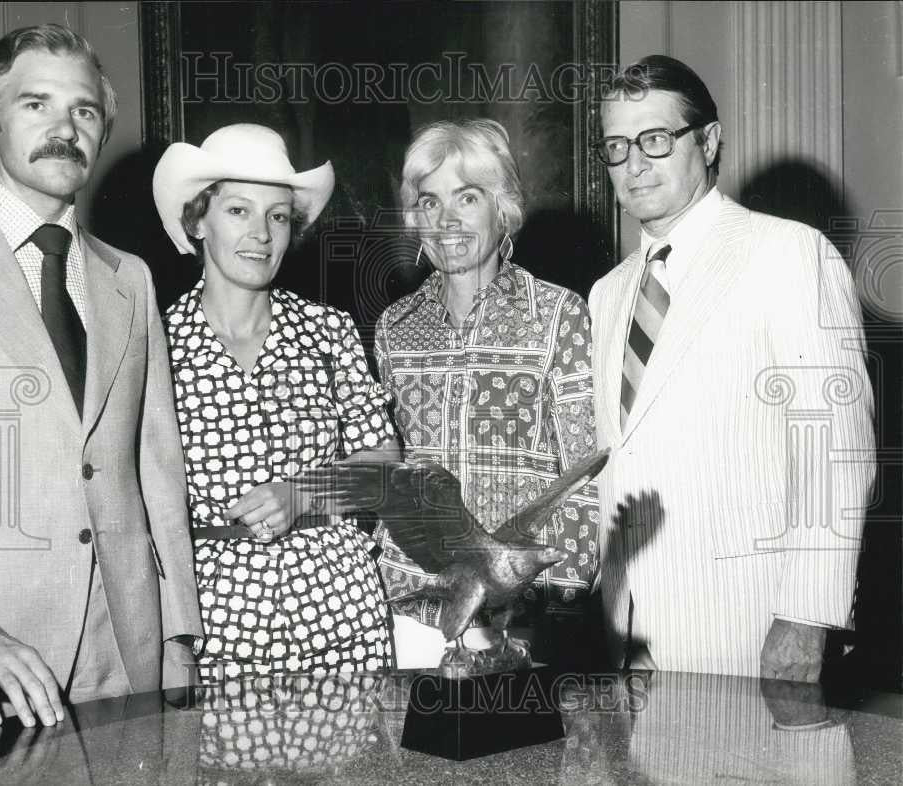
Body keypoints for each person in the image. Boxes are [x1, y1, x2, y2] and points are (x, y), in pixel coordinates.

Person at [0, 24, 203, 741]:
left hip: (124, 664)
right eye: (36, 104)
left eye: (86, 111)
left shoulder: (129, 278)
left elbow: (156, 471)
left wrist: (178, 635)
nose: (65, 127)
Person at [589, 55, 875, 679]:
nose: (634, 165)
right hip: (626, 628)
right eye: (616, 147)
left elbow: (833, 452)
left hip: (747, 624)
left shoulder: (788, 253)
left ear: (709, 141)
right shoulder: (609, 294)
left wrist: (807, 616)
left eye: (655, 140)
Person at [153, 124, 399, 679]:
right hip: (214, 624)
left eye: (279, 216)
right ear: (198, 221)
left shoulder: (327, 331)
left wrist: (304, 493)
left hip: (339, 613)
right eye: (238, 211)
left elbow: (384, 469)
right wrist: (174, 641)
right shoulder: (154, 344)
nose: (261, 234)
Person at [373, 119, 600, 668]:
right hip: (413, 613)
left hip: (521, 619)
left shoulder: (558, 315)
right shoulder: (393, 327)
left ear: (503, 210)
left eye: (467, 197)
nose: (446, 220)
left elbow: (586, 480)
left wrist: (548, 609)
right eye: (429, 202)